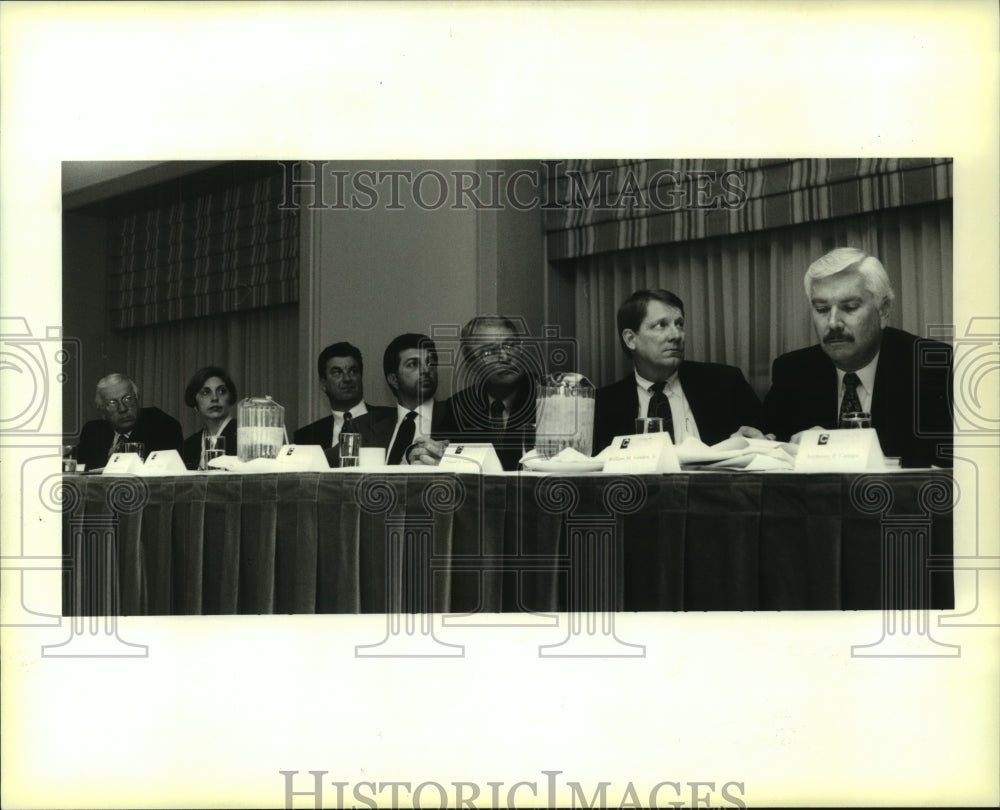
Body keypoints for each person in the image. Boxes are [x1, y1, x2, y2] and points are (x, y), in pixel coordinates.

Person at [763, 247, 952, 467]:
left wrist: (832, 447)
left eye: (849, 307)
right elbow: (773, 451)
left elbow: (946, 465)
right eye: (822, 309)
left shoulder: (933, 367)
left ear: (883, 311)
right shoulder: (793, 371)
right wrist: (759, 442)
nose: (833, 323)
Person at [592, 289, 764, 453]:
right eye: (661, 325)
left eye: (679, 324)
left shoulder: (725, 383)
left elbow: (768, 441)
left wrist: (758, 442)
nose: (676, 335)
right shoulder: (603, 405)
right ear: (631, 339)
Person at [411, 315, 537, 470]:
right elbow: (438, 454)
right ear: (471, 362)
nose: (504, 357)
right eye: (489, 352)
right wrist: (425, 453)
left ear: (522, 348)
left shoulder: (552, 395)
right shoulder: (459, 405)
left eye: (510, 346)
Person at [343, 333, 455, 465]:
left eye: (430, 362)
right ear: (394, 380)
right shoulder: (362, 426)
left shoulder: (457, 418)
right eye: (413, 364)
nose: (426, 369)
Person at [293, 341, 392, 449]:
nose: (347, 378)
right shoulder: (306, 437)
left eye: (353, 371)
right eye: (337, 372)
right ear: (323, 384)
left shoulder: (390, 420)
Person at [76, 373, 183, 471]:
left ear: (137, 399)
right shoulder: (92, 431)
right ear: (102, 409)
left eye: (128, 398)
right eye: (112, 403)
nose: (122, 409)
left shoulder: (161, 425)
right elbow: (82, 473)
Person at [181, 366, 239, 470]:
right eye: (205, 392)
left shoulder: (244, 436)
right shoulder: (189, 445)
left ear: (230, 398)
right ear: (195, 404)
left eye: (221, 391)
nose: (215, 398)